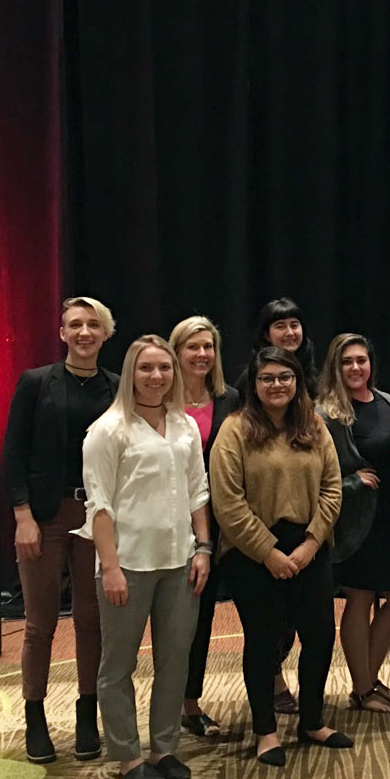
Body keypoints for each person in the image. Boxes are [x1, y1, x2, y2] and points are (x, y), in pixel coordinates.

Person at [79, 335, 211, 779]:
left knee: (175, 660)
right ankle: (128, 756)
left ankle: (164, 748)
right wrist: (110, 566)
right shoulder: (108, 429)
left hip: (180, 561)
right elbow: (99, 506)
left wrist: (204, 547)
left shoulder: (185, 425)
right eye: (146, 369)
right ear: (130, 373)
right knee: (118, 665)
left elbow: (198, 491)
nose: (156, 377)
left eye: (164, 368)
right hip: (128, 564)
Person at [210, 346, 351, 766]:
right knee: (264, 641)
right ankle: (266, 732)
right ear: (253, 384)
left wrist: (310, 545)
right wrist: (268, 552)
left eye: (284, 377)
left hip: (309, 547)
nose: (277, 385)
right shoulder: (234, 430)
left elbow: (333, 488)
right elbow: (228, 503)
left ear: (297, 382)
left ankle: (311, 720)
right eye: (267, 378)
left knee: (321, 636)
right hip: (252, 553)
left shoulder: (314, 427)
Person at [4, 296, 117, 764]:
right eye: (75, 324)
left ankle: (87, 714)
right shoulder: (35, 383)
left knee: (93, 622)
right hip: (46, 517)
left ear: (105, 333)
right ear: (63, 332)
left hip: (98, 517)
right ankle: (35, 718)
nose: (84, 332)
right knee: (39, 624)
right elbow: (14, 453)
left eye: (93, 325)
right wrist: (23, 516)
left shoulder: (118, 388)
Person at [317, 333, 390, 713]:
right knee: (361, 597)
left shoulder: (389, 402)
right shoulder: (325, 413)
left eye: (361, 360)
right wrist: (353, 482)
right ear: (335, 367)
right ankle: (363, 687)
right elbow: (314, 475)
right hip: (356, 522)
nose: (355, 368)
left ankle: (367, 681)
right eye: (347, 362)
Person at [234, 296, 317, 712]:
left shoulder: (314, 384)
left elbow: (330, 474)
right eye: (279, 325)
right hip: (257, 530)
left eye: (295, 324)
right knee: (267, 627)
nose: (289, 332)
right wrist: (265, 548)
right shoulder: (245, 392)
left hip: (308, 528)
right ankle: (272, 688)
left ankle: (306, 707)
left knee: (312, 628)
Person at [168, 316, 241, 739]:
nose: (201, 355)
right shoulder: (157, 396)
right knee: (176, 618)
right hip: (167, 521)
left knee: (203, 616)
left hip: (220, 523)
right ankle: (174, 704)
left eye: (207, 347)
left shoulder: (229, 398)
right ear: (177, 352)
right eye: (192, 347)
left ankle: (190, 703)